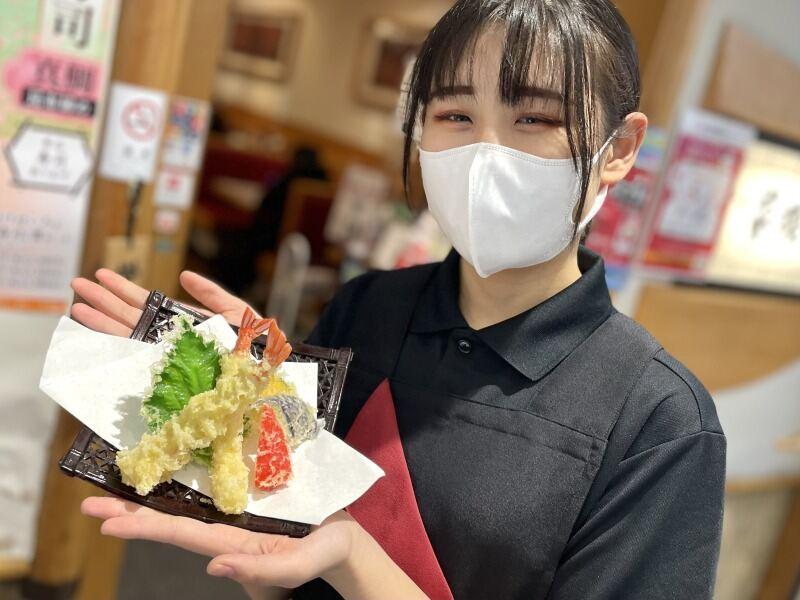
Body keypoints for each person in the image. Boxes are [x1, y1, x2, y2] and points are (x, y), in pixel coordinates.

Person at [72, 1, 726, 598]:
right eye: (455, 116)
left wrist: (355, 557)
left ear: (620, 148)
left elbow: (335, 551)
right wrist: (242, 456)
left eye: (535, 118)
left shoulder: (658, 422)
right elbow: (282, 558)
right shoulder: (367, 309)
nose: (485, 153)